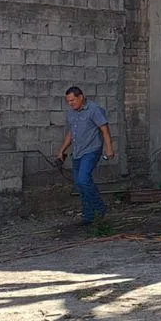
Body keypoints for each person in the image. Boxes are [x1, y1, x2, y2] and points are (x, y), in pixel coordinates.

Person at [54, 86, 114, 224]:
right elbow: (71, 134)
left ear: (80, 97)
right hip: (77, 152)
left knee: (83, 179)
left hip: (91, 150)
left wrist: (109, 148)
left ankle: (99, 208)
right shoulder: (71, 113)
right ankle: (89, 216)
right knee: (79, 184)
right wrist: (61, 150)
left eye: (72, 100)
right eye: (68, 101)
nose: (70, 103)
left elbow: (104, 130)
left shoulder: (94, 109)